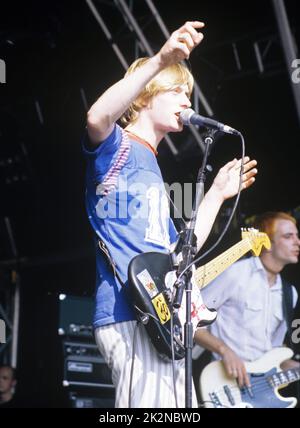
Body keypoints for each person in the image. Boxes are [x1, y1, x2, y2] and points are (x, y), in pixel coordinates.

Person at [83, 20, 257, 408]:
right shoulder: (119, 147)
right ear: (145, 96)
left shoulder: (152, 164)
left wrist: (215, 196)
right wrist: (162, 59)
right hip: (130, 312)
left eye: (188, 93)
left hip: (162, 318)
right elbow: (96, 118)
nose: (187, 101)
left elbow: (179, 257)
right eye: (176, 91)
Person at [195, 211, 300, 391]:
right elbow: (189, 320)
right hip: (223, 383)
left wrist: (291, 368)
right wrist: (224, 350)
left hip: (259, 389)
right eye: (288, 236)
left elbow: (274, 356)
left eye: (297, 236)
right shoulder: (236, 274)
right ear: (266, 243)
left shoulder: (290, 293)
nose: (297, 242)